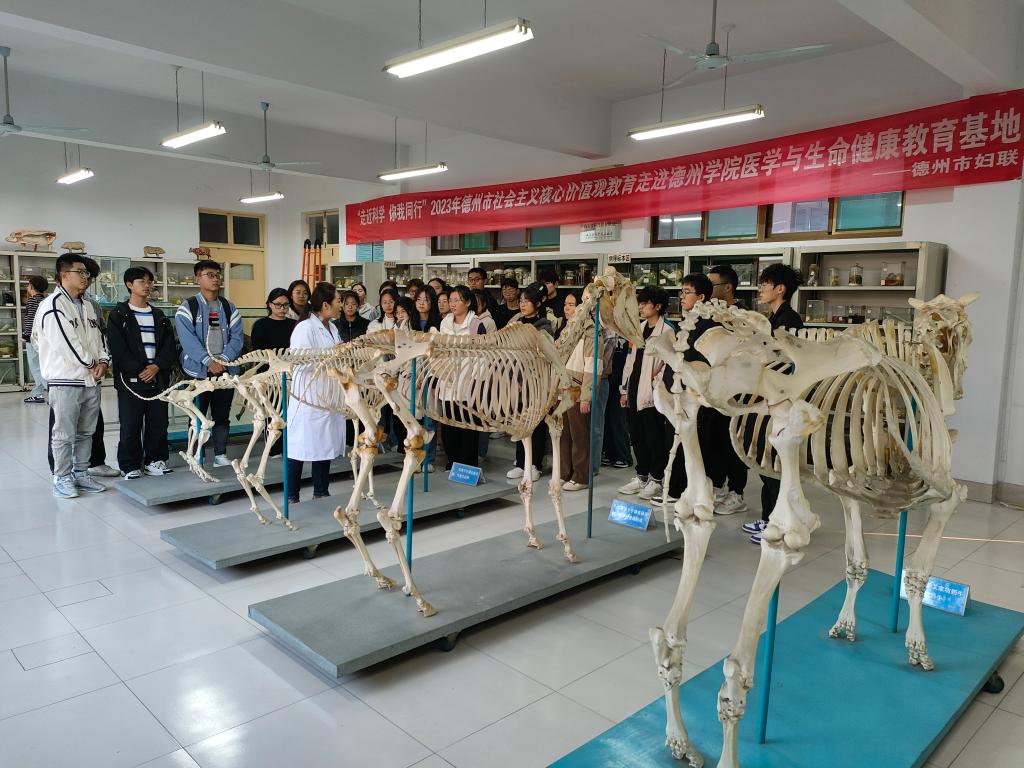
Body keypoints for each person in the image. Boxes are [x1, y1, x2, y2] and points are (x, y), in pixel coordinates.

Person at [35, 253, 110, 498]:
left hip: (91, 380)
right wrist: (91, 363)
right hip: (65, 380)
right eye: (81, 272)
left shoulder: (87, 305)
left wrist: (103, 361)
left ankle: (81, 473)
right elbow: (66, 343)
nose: (86, 277)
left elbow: (99, 338)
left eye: (87, 273)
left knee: (86, 432)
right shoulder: (53, 305)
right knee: (64, 434)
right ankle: (62, 477)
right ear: (64, 274)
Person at [742, 263, 804, 544]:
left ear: (780, 289)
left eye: (765, 284)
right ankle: (769, 517)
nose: (761, 289)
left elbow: (783, 361)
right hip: (769, 396)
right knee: (766, 460)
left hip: (781, 398)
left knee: (776, 463)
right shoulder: (774, 318)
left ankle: (780, 522)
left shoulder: (789, 320)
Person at [107, 266, 176, 479]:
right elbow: (118, 348)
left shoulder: (159, 315)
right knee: (131, 423)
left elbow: (169, 346)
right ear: (129, 285)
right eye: (142, 281)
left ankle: (155, 460)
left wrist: (157, 366)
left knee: (158, 422)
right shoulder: (119, 315)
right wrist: (139, 370)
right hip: (130, 379)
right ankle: (130, 465)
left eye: (149, 281)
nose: (147, 285)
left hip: (158, 377)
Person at [658, 273, 721, 505]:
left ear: (701, 297)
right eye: (681, 292)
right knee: (674, 442)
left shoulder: (711, 328)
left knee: (695, 446)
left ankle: (691, 492)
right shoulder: (685, 325)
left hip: (696, 398)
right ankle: (676, 490)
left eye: (687, 292)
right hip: (677, 395)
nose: (682, 297)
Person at [175, 259, 244, 468]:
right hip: (197, 371)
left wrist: (222, 360)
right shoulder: (188, 308)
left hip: (224, 371)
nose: (215, 279)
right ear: (198, 278)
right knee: (197, 415)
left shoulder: (229, 307)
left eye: (217, 275)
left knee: (222, 414)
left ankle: (220, 454)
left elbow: (237, 337)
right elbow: (187, 340)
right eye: (210, 275)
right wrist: (207, 361)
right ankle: (196, 455)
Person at [286, 283, 346, 504]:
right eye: (338, 301)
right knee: (299, 448)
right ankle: (292, 495)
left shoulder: (332, 327)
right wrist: (332, 353)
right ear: (326, 305)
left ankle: (321, 491)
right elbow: (301, 362)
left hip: (327, 396)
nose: (341, 305)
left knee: (324, 446)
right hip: (309, 397)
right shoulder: (305, 328)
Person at [616, 287, 675, 500]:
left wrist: (654, 386)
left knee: (654, 437)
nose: (640, 307)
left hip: (652, 394)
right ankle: (641, 475)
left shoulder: (667, 331)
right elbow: (630, 360)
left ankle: (656, 478)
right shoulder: (639, 328)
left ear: (657, 306)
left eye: (644, 303)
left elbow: (669, 365)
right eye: (639, 303)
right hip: (634, 389)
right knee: (637, 436)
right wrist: (624, 389)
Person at [705, 265, 749, 515]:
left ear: (728, 287)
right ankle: (717, 485)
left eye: (712, 285)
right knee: (714, 440)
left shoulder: (745, 318)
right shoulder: (710, 315)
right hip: (714, 388)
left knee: (734, 441)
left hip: (736, 390)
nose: (708, 289)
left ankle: (737, 492)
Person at [507, 283, 554, 481]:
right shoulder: (516, 323)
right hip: (515, 382)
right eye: (521, 301)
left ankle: (535, 464)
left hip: (536, 383)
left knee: (536, 424)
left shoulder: (544, 327)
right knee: (520, 422)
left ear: (537, 303)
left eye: (527, 301)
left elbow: (540, 357)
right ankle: (520, 462)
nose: (523, 304)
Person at [439, 285, 486, 470]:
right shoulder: (445, 323)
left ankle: (468, 464)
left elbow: (482, 356)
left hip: (468, 381)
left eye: (456, 300)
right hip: (448, 379)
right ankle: (453, 461)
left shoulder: (476, 324)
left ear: (467, 302)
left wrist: (476, 381)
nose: (452, 304)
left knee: (467, 424)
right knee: (449, 424)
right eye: (450, 300)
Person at [555, 291, 592, 491]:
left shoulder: (590, 331)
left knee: (579, 434)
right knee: (563, 433)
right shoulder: (566, 328)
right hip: (563, 386)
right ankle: (564, 472)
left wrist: (586, 397)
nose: (567, 308)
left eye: (572, 304)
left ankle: (581, 476)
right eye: (565, 304)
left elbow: (592, 368)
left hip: (577, 388)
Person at [21, 275, 48, 403]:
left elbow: (31, 319)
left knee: (35, 366)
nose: (27, 287)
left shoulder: (32, 301)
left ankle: (49, 390)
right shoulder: (45, 300)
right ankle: (38, 393)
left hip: (33, 338)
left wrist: (26, 335)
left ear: (31, 287)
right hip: (44, 338)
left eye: (28, 285)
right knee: (42, 365)